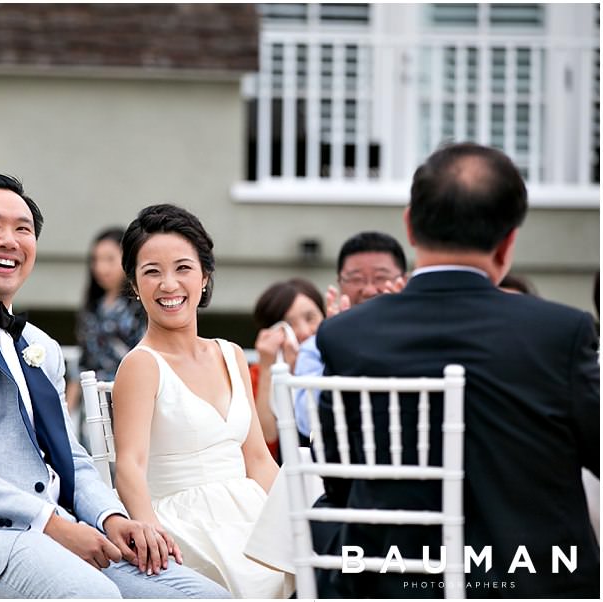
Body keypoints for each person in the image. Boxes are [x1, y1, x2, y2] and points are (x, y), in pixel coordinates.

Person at [0, 175, 228, 599]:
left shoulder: (40, 347)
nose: (9, 239)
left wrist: (111, 519)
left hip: (52, 535)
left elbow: (72, 458)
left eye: (22, 229)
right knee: (93, 596)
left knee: (206, 597)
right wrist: (54, 524)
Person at [314, 142, 599, 597]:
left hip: (391, 581)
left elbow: (338, 473)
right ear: (509, 241)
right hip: (533, 581)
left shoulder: (347, 334)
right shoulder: (559, 333)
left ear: (409, 225)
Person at [112, 204, 290, 598]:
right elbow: (130, 464)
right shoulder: (142, 365)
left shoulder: (231, 354)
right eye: (152, 271)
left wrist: (295, 514)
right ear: (135, 285)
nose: (169, 284)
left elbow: (258, 459)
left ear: (205, 276)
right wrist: (151, 534)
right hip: (186, 526)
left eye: (183, 268)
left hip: (249, 512)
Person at [293, 231, 407, 438]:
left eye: (381, 277)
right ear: (340, 283)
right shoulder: (315, 346)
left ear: (403, 281)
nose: (370, 290)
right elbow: (306, 421)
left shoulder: (419, 337)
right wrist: (339, 346)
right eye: (356, 279)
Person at [65, 227, 146, 422]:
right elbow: (83, 363)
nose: (101, 267)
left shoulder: (140, 307)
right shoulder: (93, 307)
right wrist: (66, 415)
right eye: (96, 260)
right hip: (93, 405)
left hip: (130, 401)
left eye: (109, 259)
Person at [250, 278, 325, 458]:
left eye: (310, 318)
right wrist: (268, 367)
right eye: (289, 325)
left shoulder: (337, 362)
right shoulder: (254, 375)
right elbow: (267, 439)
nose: (305, 331)